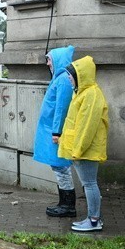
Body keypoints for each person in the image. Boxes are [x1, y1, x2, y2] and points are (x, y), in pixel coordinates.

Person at [58, 56, 109, 232]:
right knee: (89, 183)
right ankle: (93, 219)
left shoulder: (91, 95)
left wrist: (77, 151)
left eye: (71, 75)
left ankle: (94, 221)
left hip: (84, 150)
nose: (69, 78)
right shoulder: (84, 92)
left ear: (80, 75)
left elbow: (87, 126)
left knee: (89, 184)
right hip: (81, 149)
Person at [33, 46, 76, 217]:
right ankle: (63, 203)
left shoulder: (63, 80)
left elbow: (61, 109)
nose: (47, 63)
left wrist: (56, 132)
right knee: (58, 166)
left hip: (55, 131)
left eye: (49, 59)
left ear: (58, 59)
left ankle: (68, 206)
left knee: (61, 167)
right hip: (51, 129)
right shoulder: (60, 78)